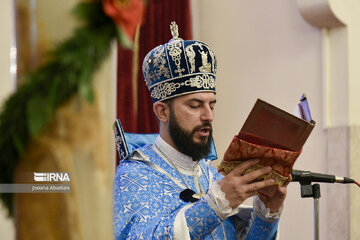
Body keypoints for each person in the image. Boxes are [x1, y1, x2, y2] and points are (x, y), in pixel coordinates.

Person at [113, 22, 290, 239]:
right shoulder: (134, 176)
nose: (209, 116)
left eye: (212, 105)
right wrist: (214, 206)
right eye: (195, 105)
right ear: (162, 112)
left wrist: (267, 213)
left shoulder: (214, 176)